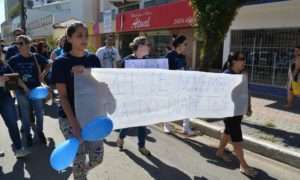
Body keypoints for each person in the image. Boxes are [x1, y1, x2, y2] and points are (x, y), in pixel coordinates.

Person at [52, 22, 103, 180]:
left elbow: (99, 86)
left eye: (86, 35)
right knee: (79, 161)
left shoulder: (93, 59)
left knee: (97, 158)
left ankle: (81, 171)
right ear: (69, 38)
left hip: (91, 117)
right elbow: (63, 97)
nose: (84, 39)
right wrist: (74, 124)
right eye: (79, 35)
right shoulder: (61, 63)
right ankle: (80, 174)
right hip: (69, 118)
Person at [216, 52, 257, 177]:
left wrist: (248, 106)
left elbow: (247, 91)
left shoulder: (243, 74)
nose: (244, 61)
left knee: (228, 132)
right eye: (241, 59)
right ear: (233, 61)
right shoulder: (227, 75)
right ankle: (243, 165)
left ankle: (220, 152)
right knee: (237, 138)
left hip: (239, 111)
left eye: (244, 59)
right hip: (230, 112)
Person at [8, 35, 51, 147]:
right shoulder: (14, 60)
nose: (18, 46)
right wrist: (23, 88)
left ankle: (39, 132)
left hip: (36, 90)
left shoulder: (36, 57)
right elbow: (11, 75)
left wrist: (42, 74)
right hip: (21, 91)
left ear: (28, 44)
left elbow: (48, 64)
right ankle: (27, 135)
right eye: (17, 44)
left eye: (21, 43)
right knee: (25, 115)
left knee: (39, 113)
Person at [116, 36, 151, 156]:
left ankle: (142, 146)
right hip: (130, 97)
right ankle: (120, 138)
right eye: (147, 44)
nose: (149, 47)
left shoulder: (148, 61)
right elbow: (119, 79)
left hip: (144, 96)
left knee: (142, 122)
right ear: (140, 46)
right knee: (129, 121)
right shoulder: (126, 61)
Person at [163, 35, 199, 136]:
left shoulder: (183, 57)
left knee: (186, 106)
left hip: (183, 84)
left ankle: (186, 128)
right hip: (172, 85)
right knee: (170, 105)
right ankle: (167, 125)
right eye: (185, 44)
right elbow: (165, 71)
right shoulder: (169, 56)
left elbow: (184, 69)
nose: (186, 46)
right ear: (179, 44)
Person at [0, 44, 30, 158]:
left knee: (12, 124)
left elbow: (14, 77)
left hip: (5, 98)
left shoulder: (3, 64)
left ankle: (18, 149)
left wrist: (25, 87)